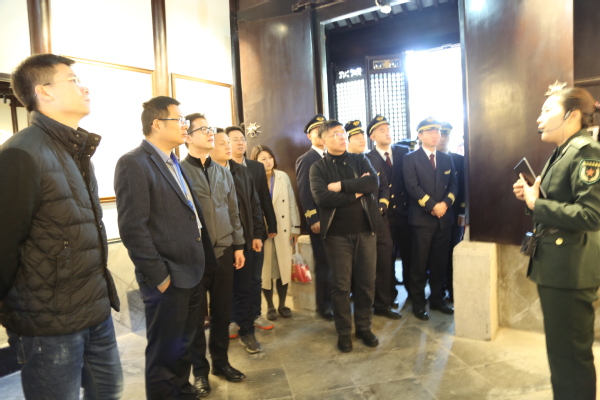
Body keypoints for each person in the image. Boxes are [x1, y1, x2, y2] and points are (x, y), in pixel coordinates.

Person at [0, 54, 123, 400]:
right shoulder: (21, 153)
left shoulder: (76, 151)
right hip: (48, 325)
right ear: (44, 92)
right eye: (73, 80)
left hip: (95, 309)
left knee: (110, 391)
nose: (84, 87)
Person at [114, 96, 218, 400]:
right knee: (164, 354)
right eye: (180, 120)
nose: (185, 126)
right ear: (157, 124)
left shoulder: (172, 161)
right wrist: (159, 276)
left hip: (192, 272)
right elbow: (133, 228)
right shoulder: (134, 163)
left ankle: (182, 392)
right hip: (168, 277)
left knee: (183, 347)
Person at [513, 84, 600, 400]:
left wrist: (537, 204)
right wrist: (531, 198)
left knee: (571, 358)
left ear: (572, 115)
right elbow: (557, 203)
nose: (539, 118)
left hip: (570, 270)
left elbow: (591, 215)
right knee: (562, 354)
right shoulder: (562, 151)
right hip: (557, 266)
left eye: (548, 110)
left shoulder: (586, 151)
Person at [180, 114, 249, 397]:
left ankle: (221, 363)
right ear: (187, 137)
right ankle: (200, 372)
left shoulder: (223, 172)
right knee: (196, 318)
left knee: (222, 313)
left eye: (210, 128)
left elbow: (233, 212)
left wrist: (239, 245)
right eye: (203, 129)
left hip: (224, 251)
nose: (210, 133)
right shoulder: (179, 171)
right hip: (195, 256)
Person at [310, 120, 381, 353]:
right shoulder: (318, 168)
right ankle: (343, 332)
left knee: (366, 282)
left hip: (366, 231)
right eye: (336, 134)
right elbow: (322, 198)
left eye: (342, 133)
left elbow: (373, 182)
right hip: (337, 236)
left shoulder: (359, 159)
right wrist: (356, 192)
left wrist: (341, 186)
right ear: (324, 140)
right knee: (341, 286)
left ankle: (364, 327)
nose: (342, 137)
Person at [211, 131, 265, 354]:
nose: (228, 146)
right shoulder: (205, 173)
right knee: (222, 291)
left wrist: (257, 234)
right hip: (220, 244)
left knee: (245, 288)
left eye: (228, 142)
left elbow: (254, 204)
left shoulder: (241, 171)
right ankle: (223, 330)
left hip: (244, 240)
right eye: (222, 143)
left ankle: (247, 331)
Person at [403, 117, 457, 321]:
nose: (436, 135)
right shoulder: (411, 158)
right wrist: (432, 206)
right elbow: (412, 187)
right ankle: (418, 304)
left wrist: (445, 205)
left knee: (439, 263)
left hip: (444, 219)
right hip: (422, 220)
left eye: (437, 131)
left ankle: (437, 299)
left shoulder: (446, 158)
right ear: (420, 135)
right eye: (430, 131)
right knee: (419, 264)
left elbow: (454, 185)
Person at [346, 120, 401, 320]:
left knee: (385, 263)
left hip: (380, 221)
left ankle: (382, 305)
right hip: (358, 223)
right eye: (356, 137)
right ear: (346, 141)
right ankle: (364, 306)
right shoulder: (343, 163)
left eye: (362, 136)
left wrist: (382, 206)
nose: (361, 140)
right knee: (363, 267)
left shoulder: (373, 159)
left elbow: (384, 186)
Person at [227, 125, 277, 331]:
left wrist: (271, 223)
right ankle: (233, 319)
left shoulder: (256, 167)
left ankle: (255, 314)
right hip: (232, 235)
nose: (241, 143)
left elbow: (263, 198)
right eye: (235, 139)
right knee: (234, 279)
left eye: (242, 139)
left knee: (256, 277)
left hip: (255, 231)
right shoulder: (222, 168)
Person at [250, 145, 301, 320]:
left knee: (283, 269)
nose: (268, 161)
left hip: (283, 230)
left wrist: (295, 228)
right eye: (263, 159)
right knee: (266, 271)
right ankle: (270, 306)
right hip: (262, 231)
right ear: (255, 161)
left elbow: (292, 202)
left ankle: (282, 305)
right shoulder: (251, 177)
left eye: (270, 157)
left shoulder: (282, 176)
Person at [367, 115, 411, 302]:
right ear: (373, 137)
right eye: (382, 130)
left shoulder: (403, 152)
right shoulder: (368, 158)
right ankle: (389, 294)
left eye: (388, 129)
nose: (387, 133)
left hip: (405, 212)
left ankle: (412, 293)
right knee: (386, 258)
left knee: (409, 254)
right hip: (384, 215)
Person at [296, 114, 334, 320]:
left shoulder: (333, 157)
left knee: (337, 263)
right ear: (309, 136)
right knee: (324, 264)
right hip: (321, 220)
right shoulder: (306, 159)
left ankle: (337, 299)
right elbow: (305, 192)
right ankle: (324, 305)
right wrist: (313, 219)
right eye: (316, 130)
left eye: (323, 130)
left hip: (337, 220)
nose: (320, 133)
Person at [437, 122, 466, 302]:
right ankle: (437, 290)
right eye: (440, 134)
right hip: (432, 214)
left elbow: (463, 187)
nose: (443, 138)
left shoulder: (459, 160)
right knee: (436, 255)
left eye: (446, 135)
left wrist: (462, 211)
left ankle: (452, 289)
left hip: (453, 214)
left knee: (452, 251)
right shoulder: (427, 159)